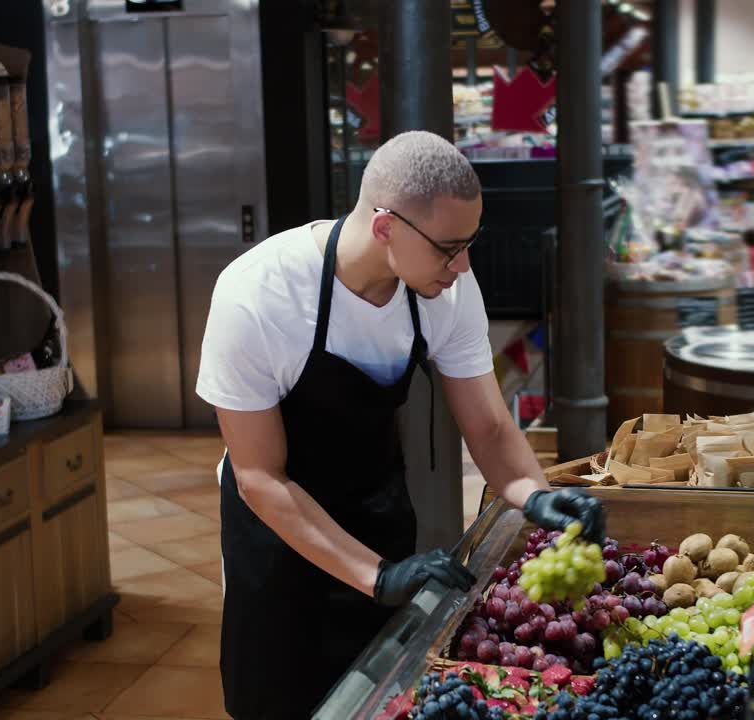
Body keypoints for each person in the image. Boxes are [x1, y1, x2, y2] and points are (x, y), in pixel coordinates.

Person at [195, 130, 605, 719]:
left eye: (471, 243)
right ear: (386, 227)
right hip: (279, 543)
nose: (463, 265)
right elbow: (260, 476)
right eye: (449, 247)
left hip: (378, 516)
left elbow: (488, 428)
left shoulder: (445, 289)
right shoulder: (257, 298)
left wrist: (536, 498)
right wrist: (377, 576)